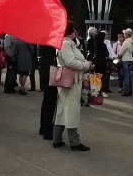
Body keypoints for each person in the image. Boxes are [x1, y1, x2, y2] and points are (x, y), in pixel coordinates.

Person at [53, 20, 93, 151]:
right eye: (74, 29)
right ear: (70, 30)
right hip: (71, 80)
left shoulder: (67, 43)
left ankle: (57, 139)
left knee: (63, 110)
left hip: (68, 79)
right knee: (71, 111)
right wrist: (85, 65)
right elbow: (70, 61)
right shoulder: (66, 44)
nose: (76, 31)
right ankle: (74, 142)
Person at [38, 45, 58, 140]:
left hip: (45, 73)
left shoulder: (42, 45)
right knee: (50, 103)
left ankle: (43, 127)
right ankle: (47, 131)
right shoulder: (51, 45)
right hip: (51, 74)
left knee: (46, 102)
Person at [118, 28, 133, 96]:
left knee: (126, 76)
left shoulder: (126, 42)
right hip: (131, 59)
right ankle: (130, 90)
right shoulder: (132, 41)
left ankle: (126, 91)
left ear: (127, 34)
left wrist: (118, 56)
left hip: (125, 59)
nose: (124, 35)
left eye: (125, 34)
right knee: (130, 76)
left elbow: (121, 52)